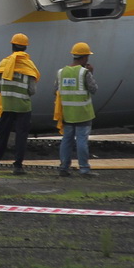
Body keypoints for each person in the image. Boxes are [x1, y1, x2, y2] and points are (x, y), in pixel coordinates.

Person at [0, 33, 40, 176]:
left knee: (3, 135)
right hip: (23, 107)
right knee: (21, 136)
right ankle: (17, 166)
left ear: (12, 46)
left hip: (6, 106)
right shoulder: (29, 65)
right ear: (25, 47)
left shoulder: (4, 63)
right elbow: (32, 90)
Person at [54, 42, 98, 178]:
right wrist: (91, 73)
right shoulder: (84, 73)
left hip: (67, 114)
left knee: (66, 140)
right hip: (83, 114)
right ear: (84, 58)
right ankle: (84, 169)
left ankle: (64, 168)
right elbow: (94, 89)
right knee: (81, 141)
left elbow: (55, 90)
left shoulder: (61, 72)